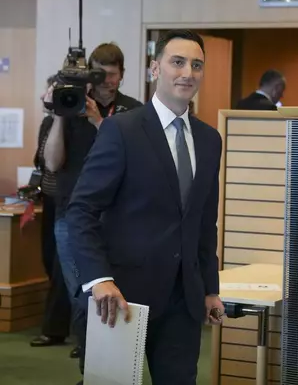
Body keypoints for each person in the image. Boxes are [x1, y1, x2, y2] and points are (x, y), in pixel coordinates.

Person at [65, 29, 225, 385]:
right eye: (177, 62)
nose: (188, 72)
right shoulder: (121, 130)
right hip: (122, 297)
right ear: (155, 69)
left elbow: (202, 222)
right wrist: (99, 279)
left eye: (197, 65)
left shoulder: (209, 140)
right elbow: (81, 211)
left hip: (184, 300)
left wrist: (210, 287)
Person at [42, 42, 142, 381]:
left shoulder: (133, 113)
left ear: (122, 75)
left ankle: (116, 373)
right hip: (71, 219)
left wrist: (100, 121)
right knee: (86, 302)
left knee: (119, 298)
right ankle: (93, 374)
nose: (104, 83)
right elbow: (53, 163)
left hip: (119, 221)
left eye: (111, 76)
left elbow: (138, 163)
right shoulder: (68, 107)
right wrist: (59, 116)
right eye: (98, 75)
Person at [30, 75, 72, 350]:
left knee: (62, 265)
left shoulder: (71, 121)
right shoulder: (47, 121)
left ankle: (55, 328)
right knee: (49, 259)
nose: (47, 95)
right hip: (49, 197)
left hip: (69, 199)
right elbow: (42, 161)